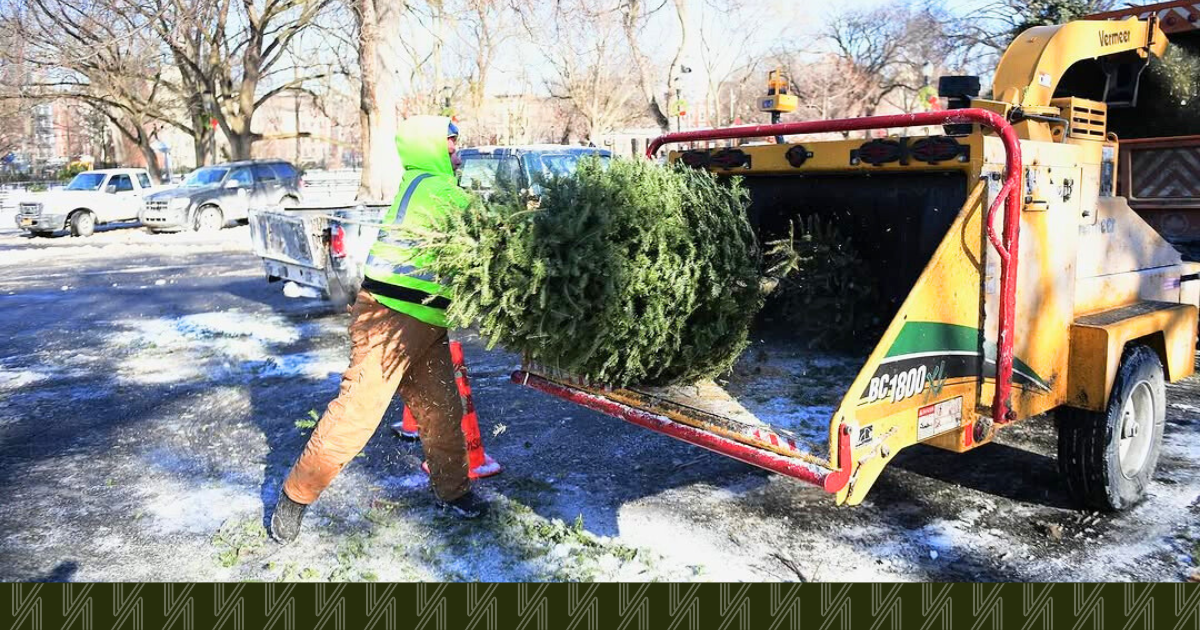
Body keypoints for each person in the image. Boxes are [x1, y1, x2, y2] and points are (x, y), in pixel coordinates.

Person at [270, 115, 484, 543]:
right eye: (450, 146)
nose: (457, 154)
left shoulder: (433, 186)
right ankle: (294, 498)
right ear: (429, 149)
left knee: (442, 411)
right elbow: (481, 228)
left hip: (426, 320)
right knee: (357, 415)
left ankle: (454, 492)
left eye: (457, 145)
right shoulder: (433, 189)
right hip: (389, 320)